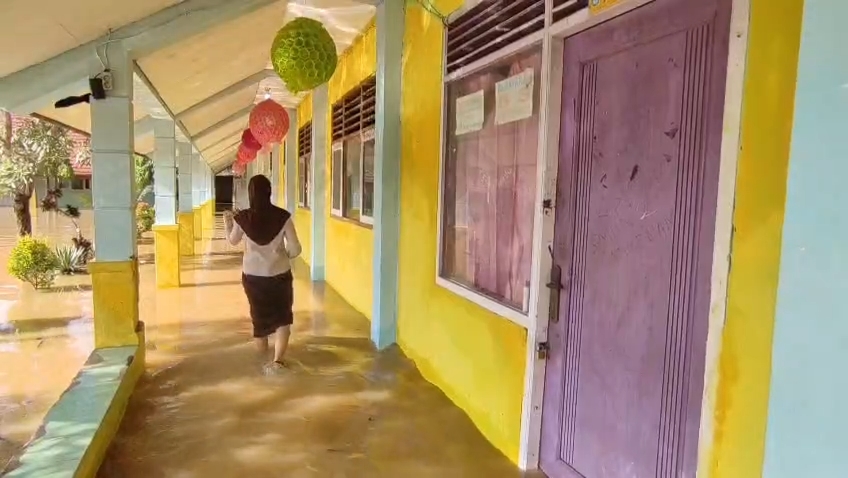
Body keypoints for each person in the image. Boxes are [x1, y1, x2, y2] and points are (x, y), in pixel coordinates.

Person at [223, 174, 302, 374]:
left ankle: (261, 364)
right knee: (283, 318)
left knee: (259, 320)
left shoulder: (242, 218)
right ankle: (278, 362)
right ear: (269, 192)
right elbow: (295, 249)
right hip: (280, 275)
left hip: (253, 277)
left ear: (250, 194)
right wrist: (285, 256)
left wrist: (228, 223)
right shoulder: (284, 217)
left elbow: (232, 241)